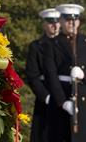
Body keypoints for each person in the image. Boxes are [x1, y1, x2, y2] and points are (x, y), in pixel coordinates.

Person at [43, 4, 86, 142]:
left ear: (79, 21)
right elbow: (50, 76)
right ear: (60, 21)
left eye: (74, 19)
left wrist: (84, 74)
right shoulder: (52, 44)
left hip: (85, 102)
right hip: (62, 99)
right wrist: (62, 102)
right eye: (67, 19)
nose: (71, 23)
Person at [25, 8, 61, 142]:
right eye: (51, 22)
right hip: (45, 98)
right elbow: (32, 75)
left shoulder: (67, 45)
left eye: (57, 22)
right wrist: (46, 97)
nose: (55, 25)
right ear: (44, 24)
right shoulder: (36, 46)